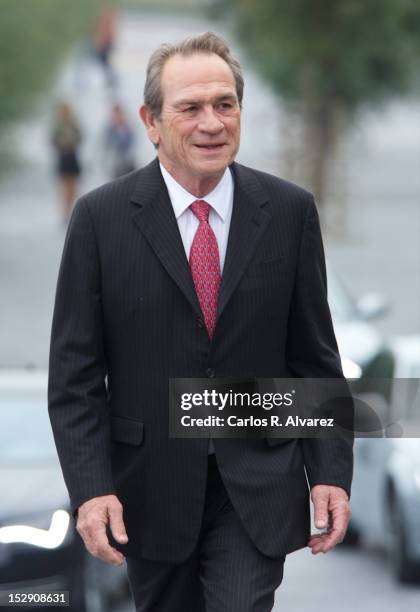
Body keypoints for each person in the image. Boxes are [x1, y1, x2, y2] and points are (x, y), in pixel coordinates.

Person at [48, 32, 353, 611]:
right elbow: (75, 378)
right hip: (149, 491)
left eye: (225, 104)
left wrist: (331, 471)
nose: (211, 122)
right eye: (190, 108)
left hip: (257, 484)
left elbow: (314, 357)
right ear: (152, 121)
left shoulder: (288, 212)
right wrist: (91, 491)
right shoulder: (100, 220)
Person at [51, 102, 82, 223]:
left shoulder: (74, 125)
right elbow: (53, 141)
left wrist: (72, 143)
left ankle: (70, 209)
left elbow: (80, 138)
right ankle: (65, 211)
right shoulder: (58, 126)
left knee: (73, 186)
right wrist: (63, 144)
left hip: (72, 156)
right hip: (63, 157)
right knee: (64, 186)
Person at [103, 102, 137, 178]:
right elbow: (108, 146)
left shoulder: (128, 128)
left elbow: (132, 143)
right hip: (116, 164)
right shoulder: (110, 130)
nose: (118, 116)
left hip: (129, 162)